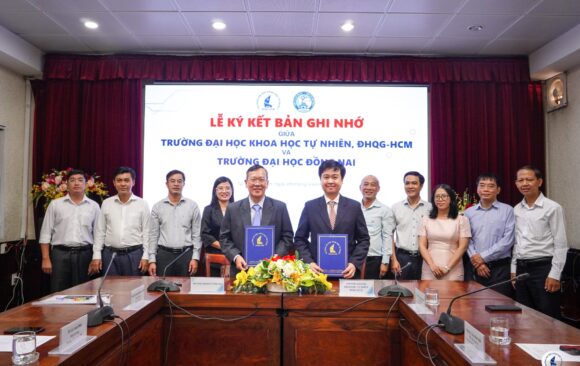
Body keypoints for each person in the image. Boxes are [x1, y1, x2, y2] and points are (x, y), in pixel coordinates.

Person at [294, 160, 369, 279]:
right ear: (320, 179)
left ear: (342, 180)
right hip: (317, 273)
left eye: (335, 177)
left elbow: (364, 239)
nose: (330, 181)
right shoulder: (310, 206)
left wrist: (354, 263)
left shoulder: (354, 207)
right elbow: (299, 239)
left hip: (347, 273)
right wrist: (309, 262)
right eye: (326, 177)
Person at [511, 165, 568, 319]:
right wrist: (513, 268)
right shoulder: (516, 209)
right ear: (516, 183)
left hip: (543, 269)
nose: (524, 183)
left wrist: (555, 274)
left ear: (539, 182)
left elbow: (561, 244)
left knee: (547, 317)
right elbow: (517, 242)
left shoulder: (553, 208)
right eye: (520, 180)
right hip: (522, 269)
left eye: (529, 179)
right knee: (524, 316)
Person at [220, 165, 293, 275]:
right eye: (253, 179)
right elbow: (224, 238)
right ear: (246, 182)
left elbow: (287, 236)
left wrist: (275, 259)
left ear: (267, 183)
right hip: (241, 270)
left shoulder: (280, 207)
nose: (257, 184)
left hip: (272, 272)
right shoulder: (233, 208)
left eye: (261, 180)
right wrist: (236, 256)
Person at [39, 169, 100, 292]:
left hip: (85, 255)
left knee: (85, 292)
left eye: (80, 180)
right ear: (66, 184)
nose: (76, 183)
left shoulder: (94, 206)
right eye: (72, 180)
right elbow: (45, 233)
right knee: (59, 292)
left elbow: (98, 234)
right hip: (60, 254)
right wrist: (45, 258)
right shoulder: (55, 204)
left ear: (86, 184)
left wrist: (96, 258)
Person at [90, 166, 150, 276]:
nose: (123, 184)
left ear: (133, 182)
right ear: (114, 183)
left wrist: (146, 256)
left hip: (135, 254)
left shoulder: (142, 204)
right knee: (110, 290)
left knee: (134, 291)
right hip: (110, 254)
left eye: (127, 180)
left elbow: (146, 232)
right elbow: (100, 231)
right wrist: (96, 255)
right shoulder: (106, 203)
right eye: (119, 180)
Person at [464, 173, 515, 298]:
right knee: (473, 308)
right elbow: (467, 239)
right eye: (482, 186)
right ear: (477, 189)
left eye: (491, 186)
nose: (486, 189)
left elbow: (508, 240)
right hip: (474, 268)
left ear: (498, 190)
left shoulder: (508, 210)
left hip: (500, 269)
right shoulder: (468, 212)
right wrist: (478, 263)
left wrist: (482, 258)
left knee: (499, 309)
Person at [148, 170, 202, 277]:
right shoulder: (157, 207)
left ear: (184, 184)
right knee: (162, 290)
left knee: (186, 291)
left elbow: (197, 235)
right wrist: (152, 260)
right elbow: (153, 235)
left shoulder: (192, 206)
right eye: (172, 181)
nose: (176, 184)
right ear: (167, 184)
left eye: (179, 181)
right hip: (164, 255)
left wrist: (195, 258)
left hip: (186, 255)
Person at [419, 184, 470, 280]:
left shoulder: (462, 219)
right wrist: (432, 266)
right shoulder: (425, 219)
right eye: (437, 196)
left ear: (451, 198)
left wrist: (447, 268)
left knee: (453, 295)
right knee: (429, 294)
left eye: (444, 196)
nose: (440, 199)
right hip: (430, 268)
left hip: (453, 268)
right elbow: (422, 245)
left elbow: (463, 247)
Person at [390, 171, 432, 280]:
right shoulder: (396, 208)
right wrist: (394, 260)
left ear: (421, 186)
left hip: (424, 258)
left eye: (414, 183)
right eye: (407, 183)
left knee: (423, 291)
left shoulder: (430, 208)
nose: (410, 186)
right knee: (403, 293)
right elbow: (389, 235)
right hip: (402, 257)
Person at [359, 175, 395, 279]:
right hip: (356, 259)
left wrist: (385, 262)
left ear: (378, 188)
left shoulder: (385, 210)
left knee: (373, 292)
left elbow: (387, 236)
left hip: (374, 259)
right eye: (365, 184)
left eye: (373, 185)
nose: (369, 187)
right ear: (360, 187)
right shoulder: (353, 208)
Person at [201, 176, 234, 277]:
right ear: (215, 191)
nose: (224, 191)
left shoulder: (238, 209)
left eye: (227, 188)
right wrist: (223, 246)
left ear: (232, 190)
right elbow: (205, 234)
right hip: (215, 259)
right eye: (220, 188)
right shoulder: (209, 210)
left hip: (234, 258)